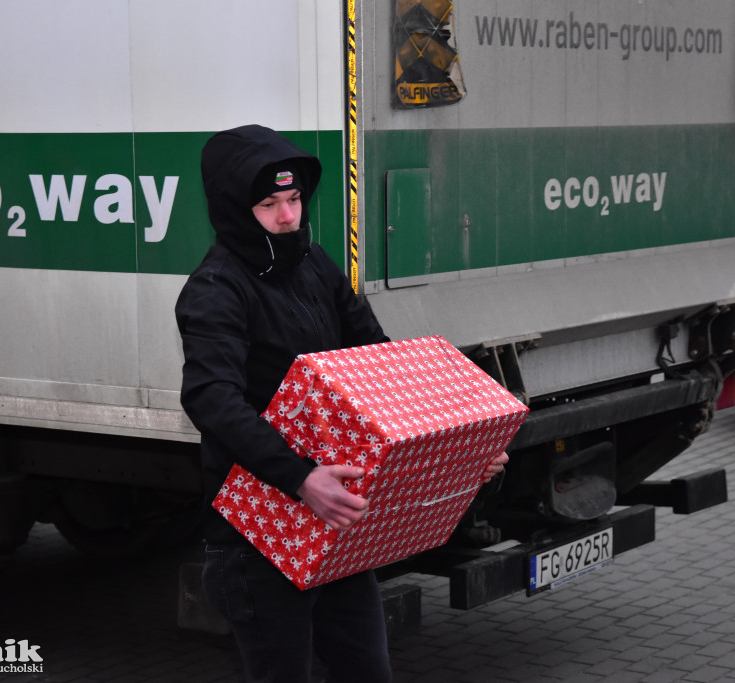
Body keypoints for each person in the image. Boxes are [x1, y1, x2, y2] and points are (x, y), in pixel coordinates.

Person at [175, 124, 507, 683]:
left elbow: (381, 362)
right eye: (268, 204)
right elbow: (210, 400)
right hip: (258, 539)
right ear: (233, 209)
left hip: (334, 529)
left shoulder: (314, 263)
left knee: (367, 670)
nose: (288, 217)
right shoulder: (215, 290)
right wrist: (303, 477)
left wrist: (461, 445)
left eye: (294, 199)